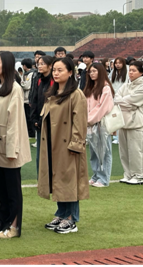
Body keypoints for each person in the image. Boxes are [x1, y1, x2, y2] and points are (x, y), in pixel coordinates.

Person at [0, 51, 31, 239]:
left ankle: (14, 226)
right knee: (1, 188)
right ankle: (2, 221)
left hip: (8, 145)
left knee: (12, 189)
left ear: (7, 65)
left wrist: (12, 149)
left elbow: (14, 123)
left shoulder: (15, 89)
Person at [39, 57, 89, 234]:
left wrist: (76, 144)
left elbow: (80, 122)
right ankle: (61, 214)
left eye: (60, 70)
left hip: (68, 145)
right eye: (54, 70)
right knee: (58, 179)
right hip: (53, 143)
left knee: (70, 181)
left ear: (70, 72)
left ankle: (71, 218)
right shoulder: (52, 93)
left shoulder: (76, 94)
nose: (56, 73)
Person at [114, 60, 143, 185]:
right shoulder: (127, 85)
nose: (131, 73)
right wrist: (127, 103)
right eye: (130, 70)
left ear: (141, 72)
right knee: (123, 151)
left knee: (136, 150)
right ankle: (128, 174)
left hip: (136, 122)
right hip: (123, 121)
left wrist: (124, 102)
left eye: (134, 70)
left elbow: (132, 101)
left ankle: (138, 175)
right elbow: (117, 98)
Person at [83, 63, 115, 187]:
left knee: (104, 152)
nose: (92, 73)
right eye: (90, 71)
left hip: (101, 124)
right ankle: (96, 175)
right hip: (90, 124)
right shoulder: (90, 87)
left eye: (94, 71)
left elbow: (103, 108)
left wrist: (89, 119)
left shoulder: (105, 88)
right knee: (94, 152)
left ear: (100, 72)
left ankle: (103, 179)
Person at [29, 55, 54, 172]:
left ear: (50, 66)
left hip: (51, 121)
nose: (39, 66)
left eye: (42, 64)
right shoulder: (38, 79)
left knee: (51, 152)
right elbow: (34, 99)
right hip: (39, 121)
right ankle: (41, 177)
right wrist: (34, 119)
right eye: (38, 64)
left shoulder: (54, 81)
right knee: (40, 153)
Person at [110, 56, 128, 145]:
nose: (117, 65)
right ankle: (116, 137)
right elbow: (110, 83)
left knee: (123, 118)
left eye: (119, 63)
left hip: (124, 98)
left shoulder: (127, 72)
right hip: (114, 98)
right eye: (116, 63)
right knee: (115, 117)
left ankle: (122, 137)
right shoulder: (113, 73)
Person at [21, 58, 37, 140]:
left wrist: (22, 84)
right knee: (27, 117)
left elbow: (26, 86)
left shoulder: (31, 74)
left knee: (29, 117)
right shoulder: (25, 74)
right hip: (25, 99)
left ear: (24, 65)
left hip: (28, 99)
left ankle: (32, 133)